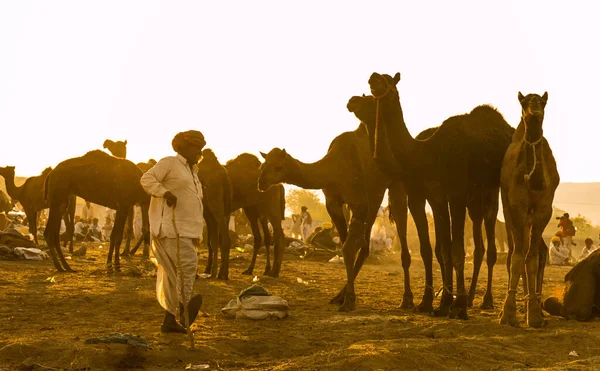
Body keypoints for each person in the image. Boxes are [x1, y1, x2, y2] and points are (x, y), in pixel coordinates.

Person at [140, 130, 206, 334]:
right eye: (196, 146)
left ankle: (168, 321)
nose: (199, 151)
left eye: (200, 147)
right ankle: (184, 307)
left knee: (171, 276)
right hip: (171, 228)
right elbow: (147, 179)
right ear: (182, 147)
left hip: (188, 229)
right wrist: (164, 193)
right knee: (188, 265)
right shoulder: (169, 163)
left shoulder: (193, 172)